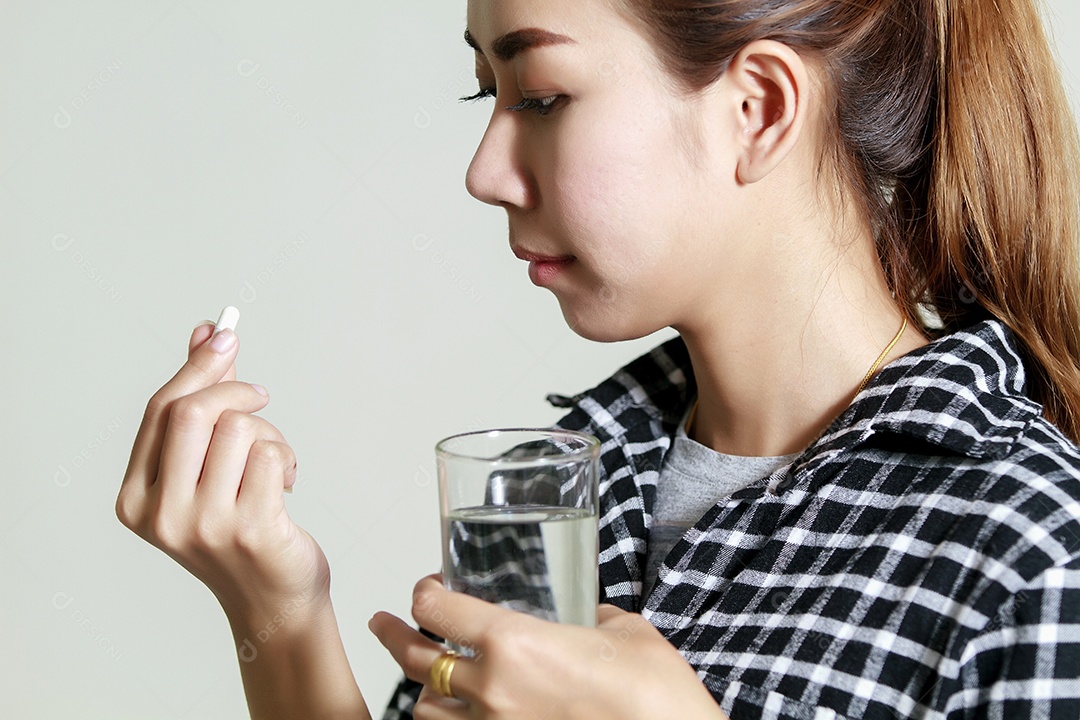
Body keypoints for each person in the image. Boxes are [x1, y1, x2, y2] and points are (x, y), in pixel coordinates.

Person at [116, 0, 1080, 717]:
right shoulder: (563, 484)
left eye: (540, 95)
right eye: (486, 93)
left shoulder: (1032, 551)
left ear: (758, 108)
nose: (483, 170)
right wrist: (277, 608)